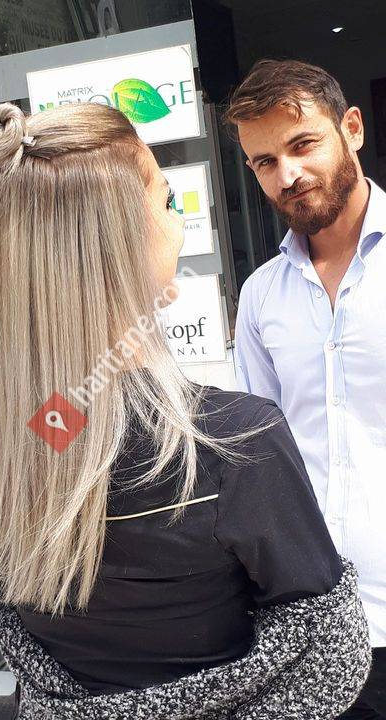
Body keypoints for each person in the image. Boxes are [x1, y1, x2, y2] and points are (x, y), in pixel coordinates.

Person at [0, 100, 370, 719]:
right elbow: (330, 657)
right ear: (122, 241)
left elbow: (16, 632)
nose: (179, 220)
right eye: (166, 201)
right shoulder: (234, 444)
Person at [228, 59, 386, 719]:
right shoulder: (261, 296)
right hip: (315, 631)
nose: (287, 174)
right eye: (264, 162)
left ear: (352, 129)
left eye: (302, 144)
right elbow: (256, 460)